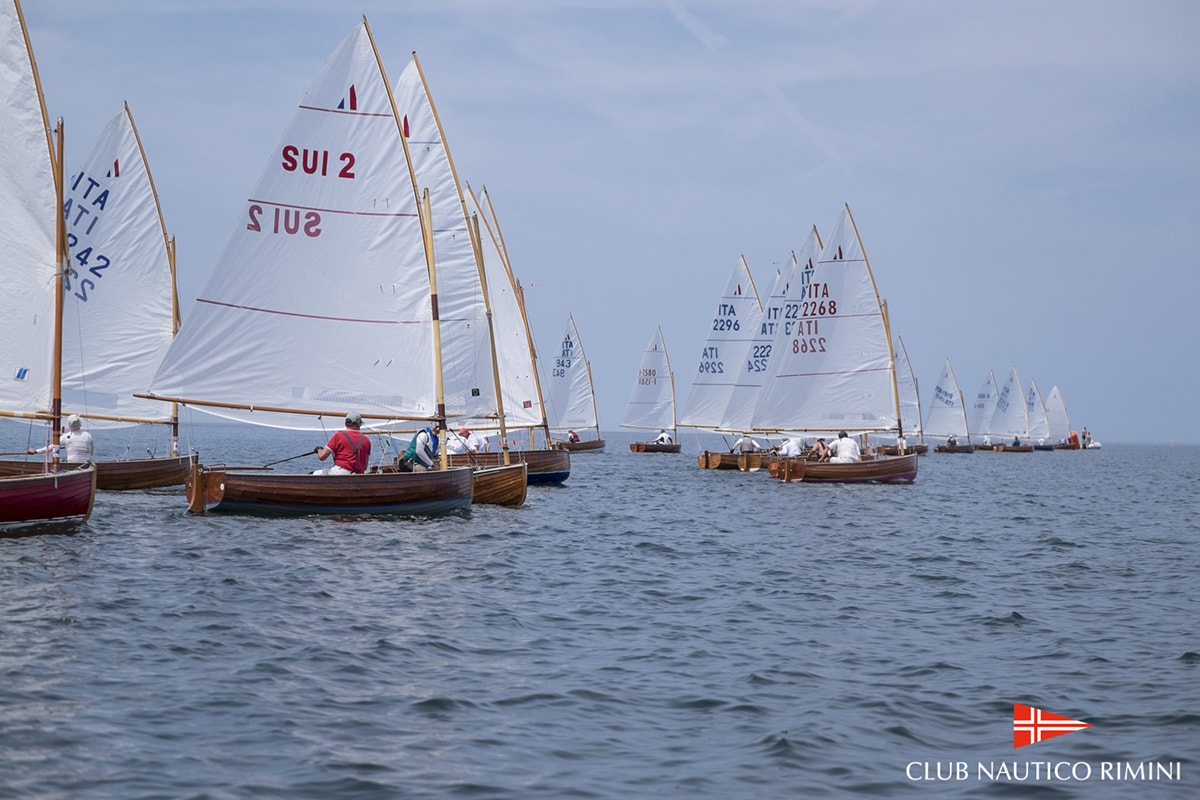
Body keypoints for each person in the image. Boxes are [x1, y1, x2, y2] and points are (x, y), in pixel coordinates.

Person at [28, 414, 95, 462]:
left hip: (71, 464)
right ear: (80, 424)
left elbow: (50, 448)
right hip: (86, 465)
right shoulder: (88, 435)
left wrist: (36, 451)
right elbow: (91, 453)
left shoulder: (65, 437)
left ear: (69, 425)